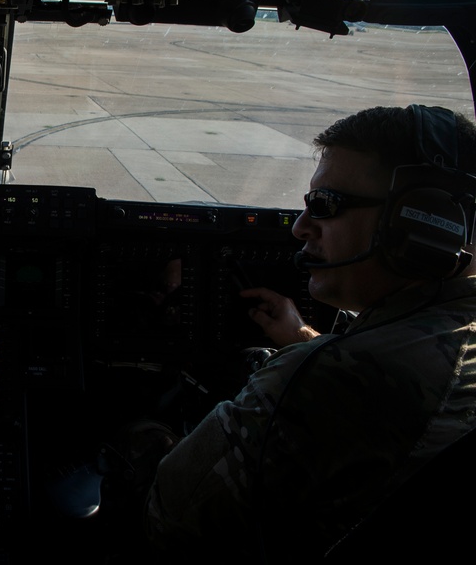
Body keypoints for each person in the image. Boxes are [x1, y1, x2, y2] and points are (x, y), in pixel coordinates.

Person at [141, 105, 476, 559]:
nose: (300, 228)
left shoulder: (321, 379)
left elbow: (168, 514)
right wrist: (305, 341)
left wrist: (290, 367)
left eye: (325, 205)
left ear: (422, 220)